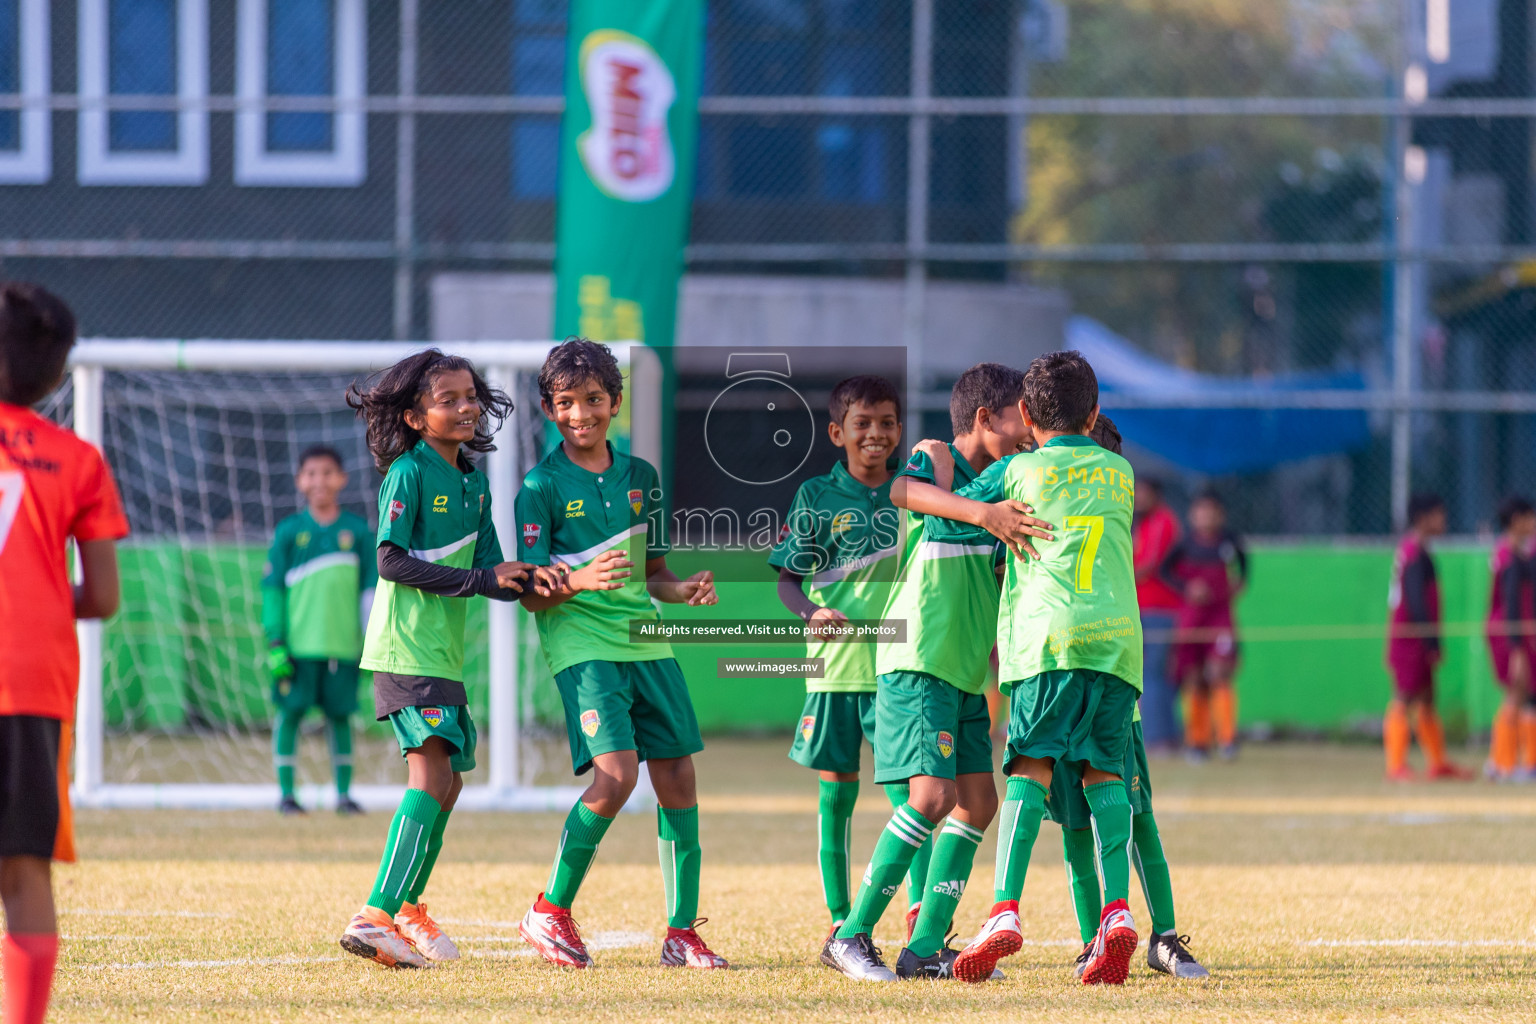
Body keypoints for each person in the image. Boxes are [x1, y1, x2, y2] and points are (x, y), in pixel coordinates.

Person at [820, 362, 1049, 983]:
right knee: (931, 796)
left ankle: (925, 947)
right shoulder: (938, 461)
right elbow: (900, 492)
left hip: (966, 671)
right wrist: (986, 516)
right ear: (984, 419)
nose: (1028, 437)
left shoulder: (1000, 483)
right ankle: (850, 934)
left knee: (978, 802)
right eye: (1018, 424)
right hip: (919, 657)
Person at [925, 350, 1145, 986]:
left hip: (1046, 644)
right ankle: (1115, 912)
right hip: (1117, 646)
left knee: (1029, 767)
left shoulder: (1018, 470)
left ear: (1024, 413)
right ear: (1096, 411)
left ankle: (1004, 910)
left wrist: (949, 479)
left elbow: (942, 507)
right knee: (1105, 774)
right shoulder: (1121, 473)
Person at [516, 338, 727, 971]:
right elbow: (528, 592)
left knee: (679, 778)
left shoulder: (642, 478)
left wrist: (682, 590)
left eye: (592, 400)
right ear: (550, 410)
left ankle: (682, 932)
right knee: (616, 776)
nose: (579, 414)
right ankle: (550, 909)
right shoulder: (539, 486)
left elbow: (653, 570)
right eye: (564, 404)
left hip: (646, 639)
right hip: (583, 646)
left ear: (616, 401)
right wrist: (576, 581)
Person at [337, 349, 551, 969]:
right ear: (413, 416)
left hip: (442, 658)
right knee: (430, 778)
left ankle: (405, 910)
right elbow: (390, 562)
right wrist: (485, 581)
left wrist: (562, 580)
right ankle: (376, 915)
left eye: (470, 397)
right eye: (447, 399)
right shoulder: (408, 473)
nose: (464, 408)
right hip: (405, 649)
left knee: (449, 782)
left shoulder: (472, 483)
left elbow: (497, 572)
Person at [0, 283, 128, 1024]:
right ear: (56, 374)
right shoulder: (74, 459)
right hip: (28, 684)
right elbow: (104, 597)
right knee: (23, 872)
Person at [1047, 417, 1209, 981]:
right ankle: (1094, 938)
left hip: (1116, 705)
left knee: (1140, 821)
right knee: (1073, 831)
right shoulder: (1044, 514)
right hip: (1056, 691)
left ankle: (1163, 936)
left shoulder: (1117, 524)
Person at [768, 376, 917, 942]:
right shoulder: (816, 496)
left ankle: (917, 911)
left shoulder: (913, 492)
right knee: (839, 794)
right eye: (863, 424)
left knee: (911, 795)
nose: (875, 434)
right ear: (839, 432)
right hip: (833, 672)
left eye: (886, 423)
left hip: (900, 669)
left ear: (899, 430)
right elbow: (788, 582)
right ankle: (839, 915)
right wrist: (811, 613)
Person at [262, 445, 376, 815]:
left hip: (343, 648)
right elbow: (273, 590)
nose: (319, 481)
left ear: (342, 479)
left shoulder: (357, 532)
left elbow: (369, 593)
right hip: (297, 649)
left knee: (340, 717)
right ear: (299, 480)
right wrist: (275, 639)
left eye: (328, 473)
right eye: (311, 473)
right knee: (290, 715)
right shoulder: (289, 532)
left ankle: (343, 795)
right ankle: (286, 795)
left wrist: (371, 640)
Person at [1384, 493, 1472, 782]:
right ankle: (1396, 764)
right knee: (1404, 696)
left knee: (1426, 698)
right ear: (1422, 519)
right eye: (1438, 515)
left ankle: (1437, 762)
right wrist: (1430, 640)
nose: (1443, 520)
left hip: (1418, 637)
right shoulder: (1413, 554)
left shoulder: (1420, 551)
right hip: (1411, 638)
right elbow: (1415, 601)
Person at [1160, 491, 1248, 761]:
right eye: (1201, 511)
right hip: (1191, 619)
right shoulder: (1184, 544)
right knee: (1194, 677)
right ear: (1192, 515)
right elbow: (1165, 571)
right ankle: (1197, 741)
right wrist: (1187, 588)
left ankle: (1227, 739)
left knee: (1220, 673)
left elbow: (1244, 570)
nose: (1206, 517)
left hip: (1220, 617)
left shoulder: (1230, 542)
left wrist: (1234, 587)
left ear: (1220, 515)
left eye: (1212, 511)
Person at [1484, 496, 1536, 781]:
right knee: (1517, 692)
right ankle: (1501, 763)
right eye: (1530, 518)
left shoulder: (1517, 554)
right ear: (1517, 521)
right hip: (1509, 631)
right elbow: (1512, 603)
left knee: (1525, 694)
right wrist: (1517, 649)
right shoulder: (1509, 557)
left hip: (1515, 630)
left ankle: (1523, 762)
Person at [1133, 478, 1183, 754]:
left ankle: (1157, 738)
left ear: (1156, 495)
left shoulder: (1163, 522)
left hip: (1160, 610)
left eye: (1143, 493)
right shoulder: (1139, 523)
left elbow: (1147, 566)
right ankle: (1167, 735)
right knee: (1155, 675)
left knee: (1153, 675)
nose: (1138, 499)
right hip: (1142, 608)